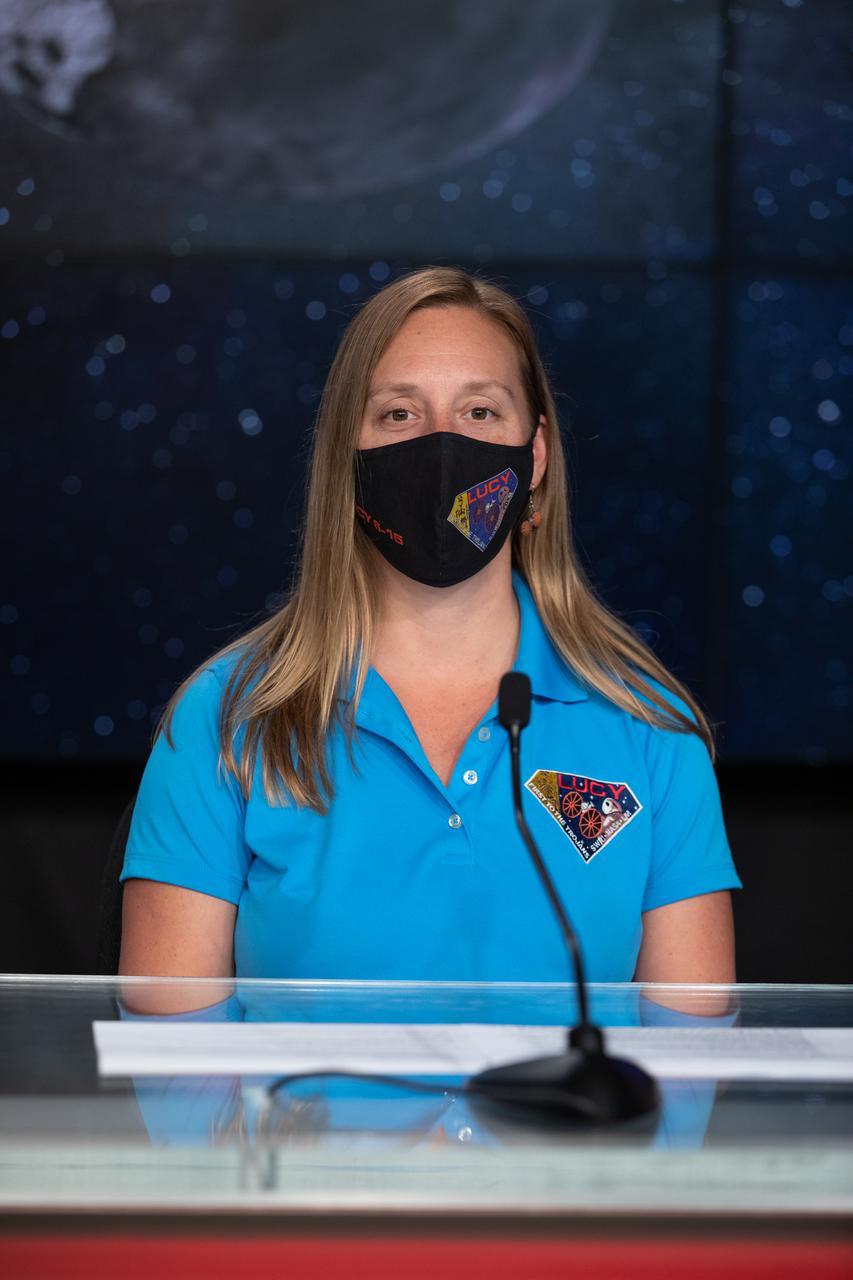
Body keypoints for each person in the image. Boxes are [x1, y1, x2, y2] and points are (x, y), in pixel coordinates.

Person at [118, 266, 741, 993]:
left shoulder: (648, 727)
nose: (442, 446)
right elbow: (172, 1064)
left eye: (480, 412)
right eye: (398, 414)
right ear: (346, 457)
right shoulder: (227, 717)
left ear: (534, 455)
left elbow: (690, 1061)